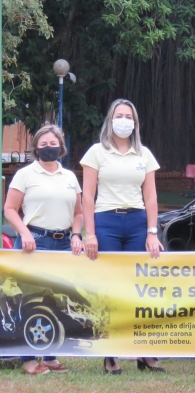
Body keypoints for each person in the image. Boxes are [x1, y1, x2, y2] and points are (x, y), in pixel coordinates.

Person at [80, 98, 165, 374]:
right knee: (110, 288)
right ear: (110, 119)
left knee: (139, 288)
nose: (124, 120)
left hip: (138, 222)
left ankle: (144, 352)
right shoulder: (96, 152)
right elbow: (88, 196)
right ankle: (111, 353)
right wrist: (89, 233)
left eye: (129, 116)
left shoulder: (145, 155)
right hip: (106, 222)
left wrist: (152, 232)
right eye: (120, 115)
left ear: (135, 122)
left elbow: (151, 196)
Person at [4, 124, 84, 375]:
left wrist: (77, 234)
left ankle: (50, 357)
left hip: (63, 244)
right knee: (29, 300)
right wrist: (25, 233)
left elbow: (79, 212)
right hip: (34, 243)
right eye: (44, 144)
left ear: (61, 147)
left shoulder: (69, 176)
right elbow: (9, 209)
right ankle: (28, 359)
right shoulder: (25, 174)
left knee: (56, 299)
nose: (49, 148)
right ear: (36, 148)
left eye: (53, 144)